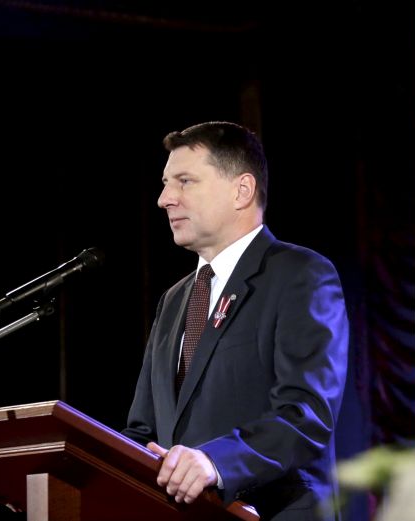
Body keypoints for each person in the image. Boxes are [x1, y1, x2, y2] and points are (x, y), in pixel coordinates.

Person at [121, 121, 349, 521]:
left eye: (185, 181)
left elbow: (307, 414)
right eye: (166, 183)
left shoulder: (300, 275)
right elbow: (143, 431)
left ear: (241, 190)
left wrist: (216, 461)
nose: (164, 199)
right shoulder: (174, 300)